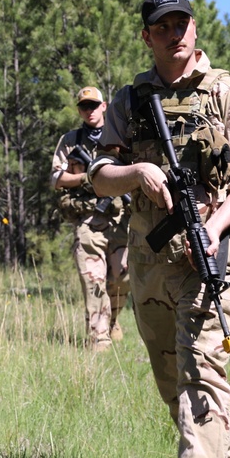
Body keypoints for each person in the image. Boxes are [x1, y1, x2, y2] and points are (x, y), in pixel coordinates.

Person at [87, 0, 230, 458]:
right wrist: (137, 172)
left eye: (181, 24)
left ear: (194, 27)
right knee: (174, 385)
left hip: (211, 255)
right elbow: (99, 177)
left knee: (202, 375)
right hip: (149, 261)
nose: (175, 34)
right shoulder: (128, 101)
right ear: (146, 37)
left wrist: (213, 226)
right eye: (163, 27)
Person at [51, 86, 130, 352]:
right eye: (84, 107)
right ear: (79, 111)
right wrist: (86, 178)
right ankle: (99, 337)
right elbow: (56, 178)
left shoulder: (120, 135)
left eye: (94, 105)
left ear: (104, 106)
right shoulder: (70, 140)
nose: (89, 111)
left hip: (119, 216)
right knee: (93, 279)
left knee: (123, 276)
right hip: (88, 218)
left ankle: (112, 320)